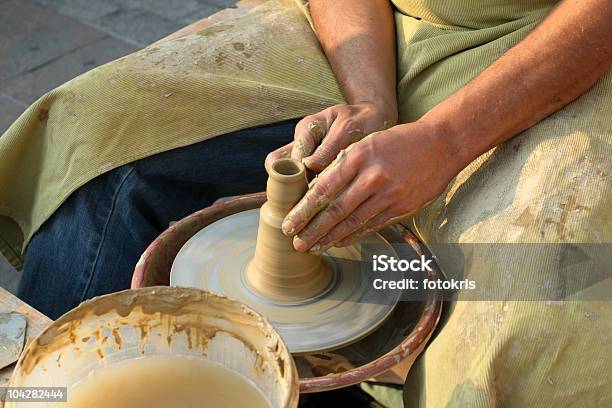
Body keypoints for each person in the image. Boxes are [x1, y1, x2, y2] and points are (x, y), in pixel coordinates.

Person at [1, 0, 610, 406]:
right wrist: (370, 101)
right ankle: (43, 391)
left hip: (563, 45)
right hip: (378, 24)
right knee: (102, 137)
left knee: (525, 290)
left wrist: (447, 140)